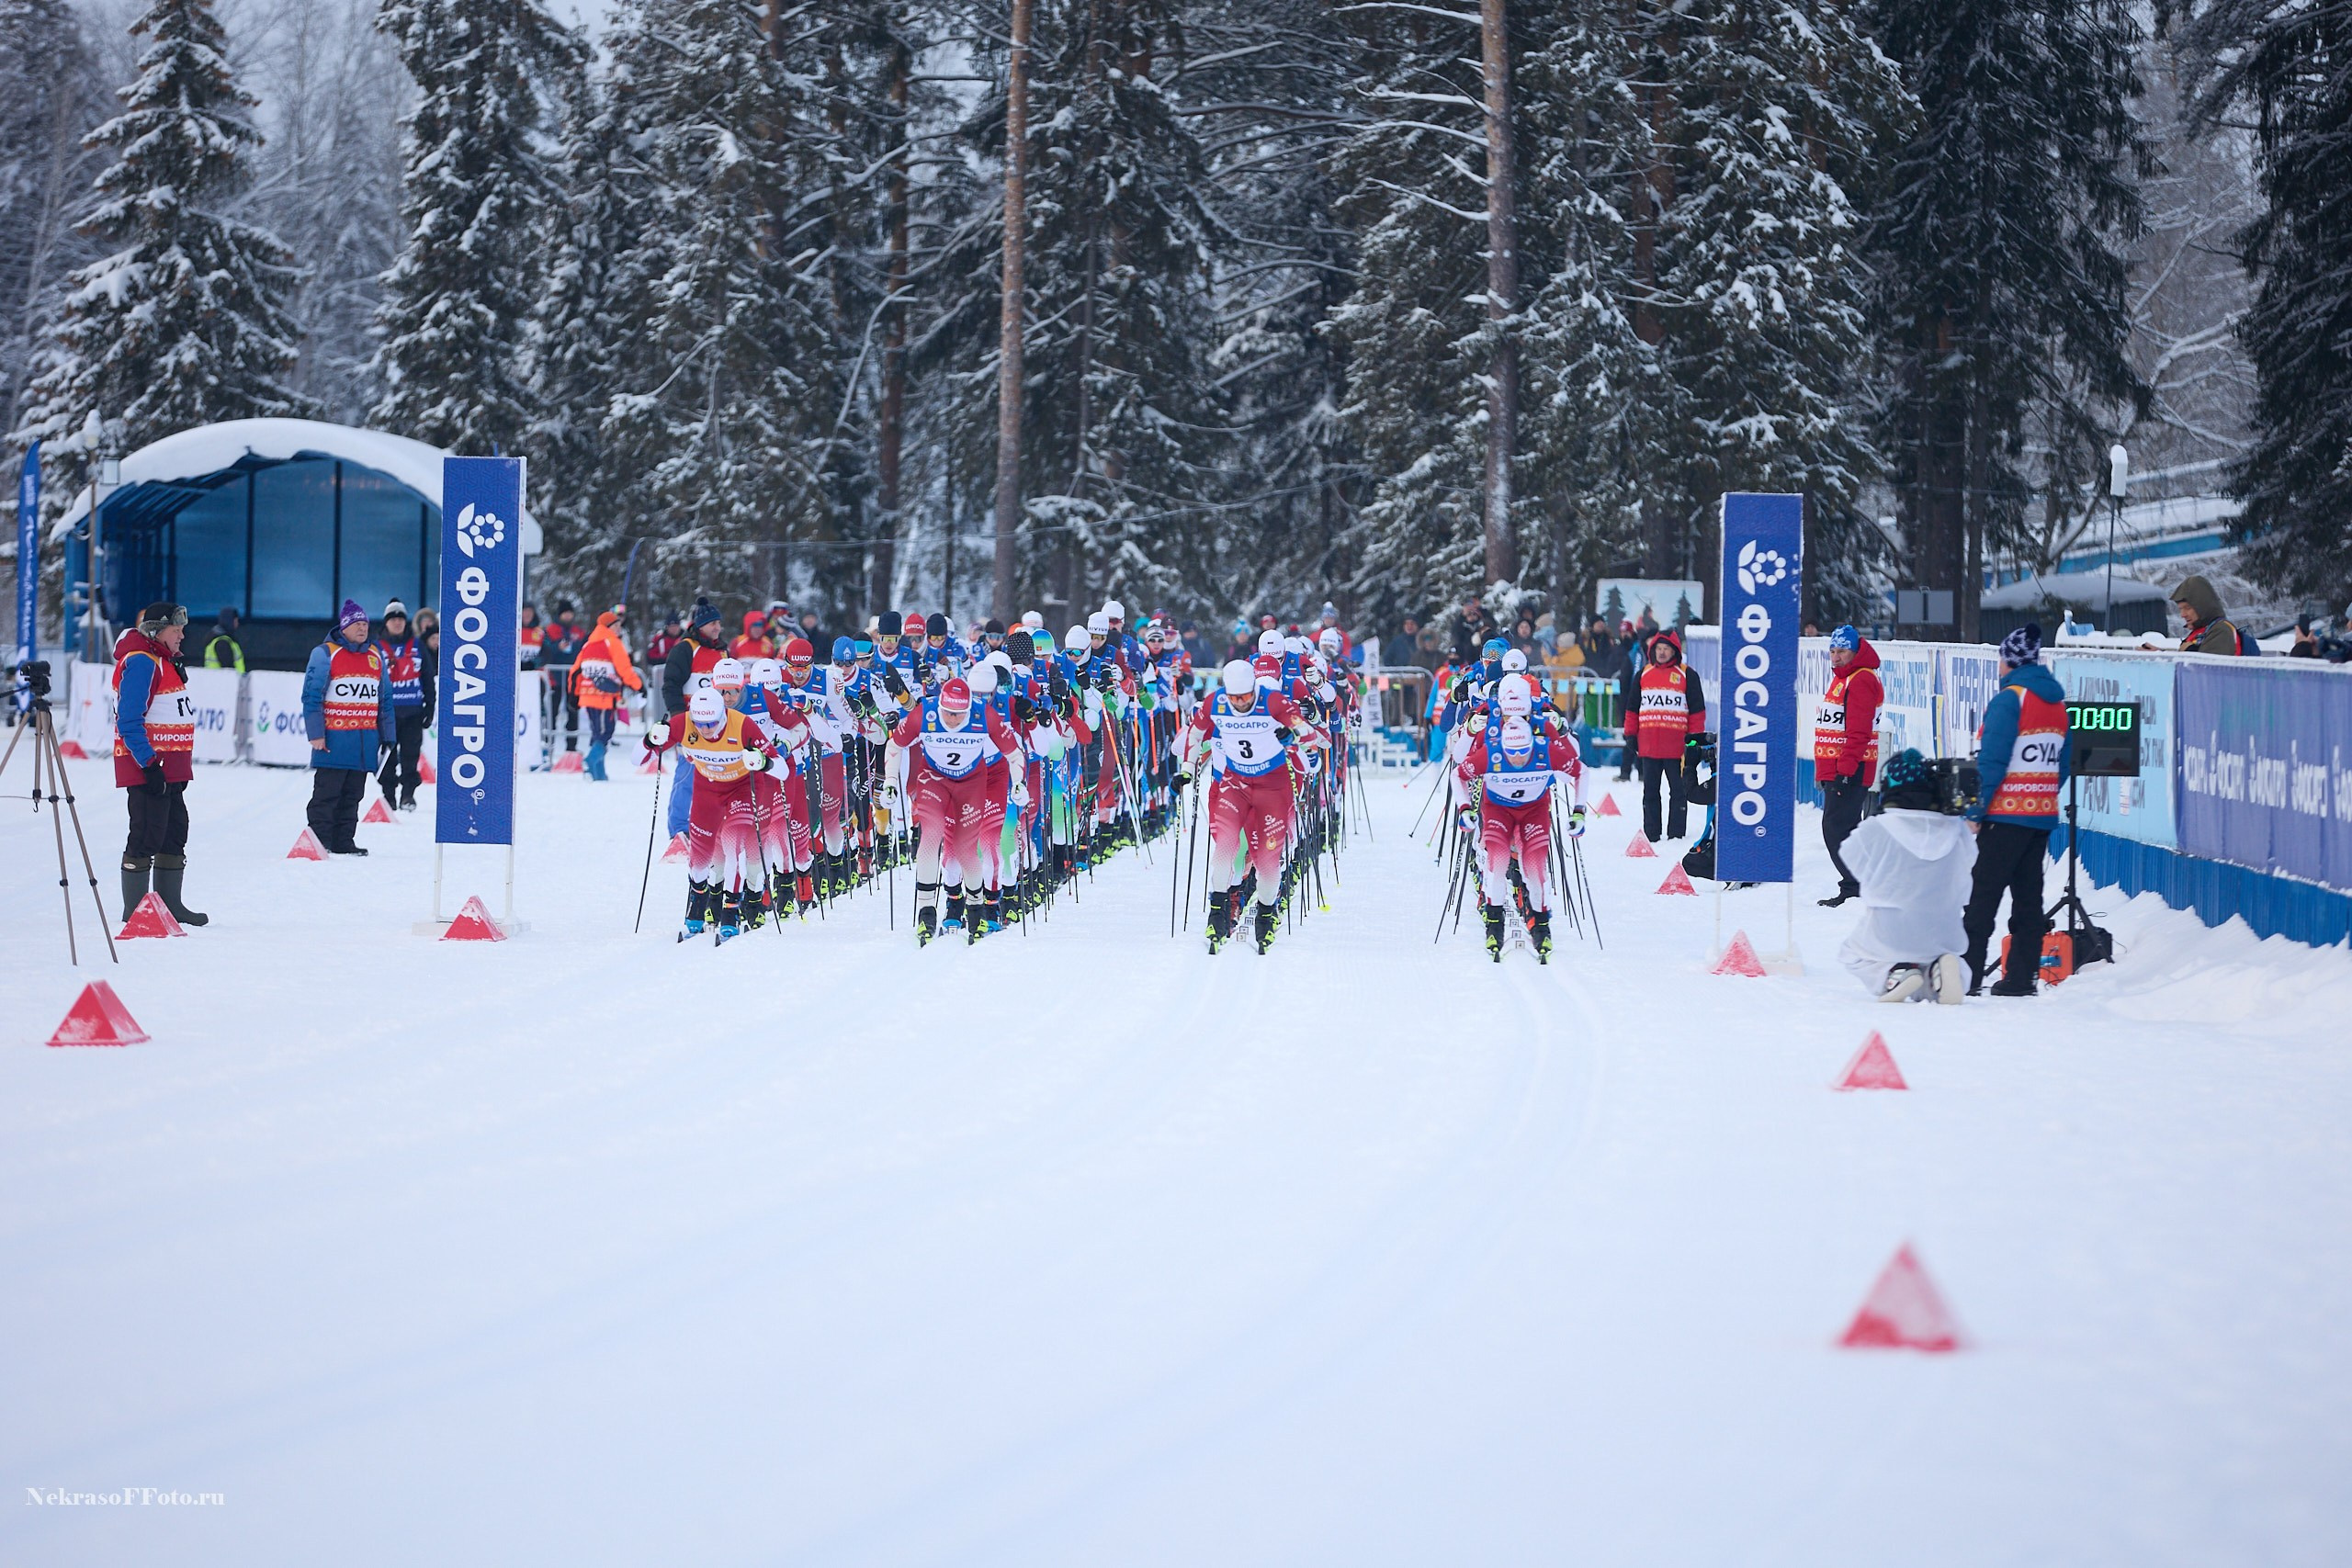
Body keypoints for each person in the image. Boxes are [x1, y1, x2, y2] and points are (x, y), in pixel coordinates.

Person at [1174, 658, 1330, 953]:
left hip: (1272, 786)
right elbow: (1194, 735)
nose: (1240, 703)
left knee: (1267, 861)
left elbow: (1317, 739)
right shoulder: (1217, 702)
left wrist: (1294, 737)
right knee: (1226, 846)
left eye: (1245, 697)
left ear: (1254, 690)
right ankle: (1217, 914)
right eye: (1234, 698)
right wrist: (1187, 769)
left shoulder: (1273, 701)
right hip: (1235, 782)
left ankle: (1266, 917)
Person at [1963, 623, 2071, 996]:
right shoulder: (2057, 705)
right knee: (2029, 900)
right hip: (2040, 816)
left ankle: (1967, 976)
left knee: (1983, 897)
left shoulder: (2010, 700)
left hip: (2004, 815)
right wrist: (2041, 795)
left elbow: (1992, 761)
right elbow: (2064, 762)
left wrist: (1977, 809)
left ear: (2009, 661)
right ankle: (2022, 978)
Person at [1837, 749, 1972, 1004]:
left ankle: (1894, 974)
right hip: (1946, 929)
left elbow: (1850, 856)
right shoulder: (1956, 829)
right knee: (1952, 959)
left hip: (1888, 929)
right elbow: (1969, 864)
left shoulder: (1876, 828)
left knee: (1853, 954)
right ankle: (1938, 971)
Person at [1454, 707, 1587, 962]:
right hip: (1497, 805)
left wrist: (1562, 729)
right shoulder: (1490, 733)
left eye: (1523, 751)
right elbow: (1459, 761)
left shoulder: (1542, 731)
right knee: (1498, 860)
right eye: (1511, 752)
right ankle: (1494, 923)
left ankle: (1540, 925)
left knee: (1534, 869)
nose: (1516, 757)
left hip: (1534, 806)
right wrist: (1464, 808)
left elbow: (1573, 768)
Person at [112, 602, 207, 926]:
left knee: (174, 831)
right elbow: (129, 721)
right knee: (146, 834)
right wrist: (149, 765)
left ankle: (170, 906)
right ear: (156, 631)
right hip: (150, 769)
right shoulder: (142, 662)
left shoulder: (163, 661)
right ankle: (136, 912)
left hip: (171, 769)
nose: (182, 635)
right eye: (175, 629)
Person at [302, 599, 396, 855]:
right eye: (357, 624)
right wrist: (316, 734)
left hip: (365, 742)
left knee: (353, 795)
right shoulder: (325, 653)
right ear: (344, 627)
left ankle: (343, 840)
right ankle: (319, 840)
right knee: (327, 794)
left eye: (365, 624)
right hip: (334, 740)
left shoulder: (375, 655)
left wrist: (388, 736)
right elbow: (311, 696)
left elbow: (385, 700)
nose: (363, 628)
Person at [1815, 625, 1884, 908]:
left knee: (1836, 829)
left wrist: (1844, 770)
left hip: (1850, 769)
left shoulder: (1861, 679)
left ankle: (1856, 886)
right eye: (1832, 651)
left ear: (1855, 652)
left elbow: (1859, 732)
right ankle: (1860, 885)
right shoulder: (1843, 679)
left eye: (1842, 651)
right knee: (1845, 829)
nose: (1836, 657)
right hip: (1840, 767)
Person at [661, 599, 729, 840]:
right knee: (687, 776)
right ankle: (679, 828)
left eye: (718, 622)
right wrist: (679, 717)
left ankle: (714, 826)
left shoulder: (723, 651)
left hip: (719, 724)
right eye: (712, 623)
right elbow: (670, 685)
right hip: (692, 723)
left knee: (721, 776)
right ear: (699, 625)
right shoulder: (685, 649)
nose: (717, 627)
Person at [1631, 629, 1705, 840]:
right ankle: (1652, 834)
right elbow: (1632, 708)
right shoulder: (1643, 674)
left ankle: (1676, 834)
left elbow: (1697, 711)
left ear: (1675, 651)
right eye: (1659, 649)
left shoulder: (1687, 674)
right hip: (1649, 746)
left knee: (1679, 792)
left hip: (1677, 748)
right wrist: (1630, 734)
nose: (1662, 653)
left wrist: (1694, 740)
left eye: (1666, 649)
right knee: (1650, 792)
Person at [572, 606, 643, 780]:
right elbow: (625, 669)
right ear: (607, 627)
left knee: (597, 732)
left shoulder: (588, 644)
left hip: (587, 696)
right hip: (605, 697)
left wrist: (573, 693)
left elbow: (575, 671)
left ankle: (599, 774)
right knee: (606, 732)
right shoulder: (613, 642)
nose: (619, 628)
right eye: (615, 625)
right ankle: (590, 760)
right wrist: (639, 686)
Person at [373, 600, 428, 809]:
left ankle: (408, 795)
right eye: (393, 619)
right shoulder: (376, 648)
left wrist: (430, 707)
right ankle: (389, 796)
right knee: (387, 756)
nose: (397, 623)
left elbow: (427, 677)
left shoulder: (417, 645)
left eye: (401, 619)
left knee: (410, 756)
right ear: (386, 622)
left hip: (413, 712)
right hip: (386, 715)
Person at [540, 603, 588, 751]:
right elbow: (544, 651)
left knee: (573, 713)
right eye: (565, 613)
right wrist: (557, 648)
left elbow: (584, 650)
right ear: (559, 614)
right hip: (554, 680)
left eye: (570, 613)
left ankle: (571, 748)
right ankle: (548, 747)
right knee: (551, 713)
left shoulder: (578, 632)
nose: (568, 616)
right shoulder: (550, 631)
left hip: (573, 680)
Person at [2172, 574, 2252, 656]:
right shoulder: (2204, 631)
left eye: (2187, 608)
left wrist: (2189, 651)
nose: (2182, 615)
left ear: (2202, 606)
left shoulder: (2221, 631)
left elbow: (2213, 662)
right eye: (2180, 609)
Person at [1450, 594, 1493, 665]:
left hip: (1484, 657)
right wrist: (1462, 616)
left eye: (1474, 614)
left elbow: (1492, 626)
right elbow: (1456, 636)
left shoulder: (1483, 622)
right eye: (1469, 614)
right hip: (1466, 659)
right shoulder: (1461, 625)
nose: (1472, 616)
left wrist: (1480, 611)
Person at [199, 606, 245, 671]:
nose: (237, 623)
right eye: (236, 621)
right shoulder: (222, 642)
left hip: (217, 676)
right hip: (223, 677)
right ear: (229, 621)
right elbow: (228, 669)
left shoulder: (223, 639)